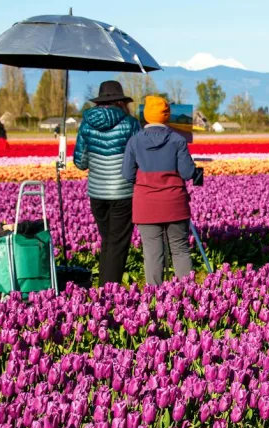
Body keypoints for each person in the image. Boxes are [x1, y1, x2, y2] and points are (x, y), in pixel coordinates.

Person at [122, 95, 200, 287]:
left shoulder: (134, 141)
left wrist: (145, 181)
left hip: (145, 204)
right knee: (180, 250)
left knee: (152, 252)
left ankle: (155, 299)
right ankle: (188, 295)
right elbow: (188, 172)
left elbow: (127, 174)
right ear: (167, 116)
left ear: (146, 116)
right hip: (174, 203)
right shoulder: (177, 140)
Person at [73, 80, 141, 286]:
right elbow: (139, 158)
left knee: (108, 241)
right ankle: (109, 291)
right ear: (121, 101)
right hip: (123, 192)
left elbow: (80, 162)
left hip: (97, 193)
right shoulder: (131, 124)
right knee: (118, 243)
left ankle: (103, 288)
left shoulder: (86, 124)